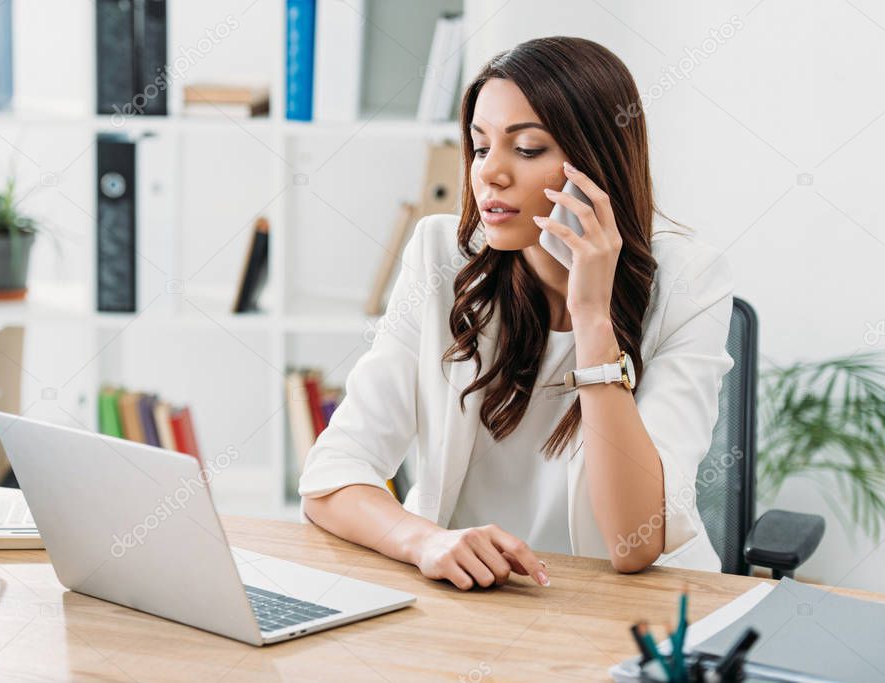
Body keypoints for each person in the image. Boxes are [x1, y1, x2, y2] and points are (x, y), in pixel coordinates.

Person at [298, 36, 734, 590]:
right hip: (470, 600)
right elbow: (332, 475)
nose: (490, 174)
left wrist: (592, 317)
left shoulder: (689, 281)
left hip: (630, 610)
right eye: (480, 148)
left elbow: (633, 544)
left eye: (526, 149)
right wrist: (426, 540)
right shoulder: (441, 255)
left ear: (597, 160)